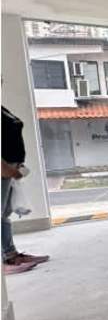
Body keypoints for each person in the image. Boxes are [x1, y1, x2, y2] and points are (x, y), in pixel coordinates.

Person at [3, 105, 49, 274]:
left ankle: (11, 254)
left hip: (10, 167)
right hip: (4, 168)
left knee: (4, 214)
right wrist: (4, 167)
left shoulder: (3, 108)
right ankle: (6, 260)